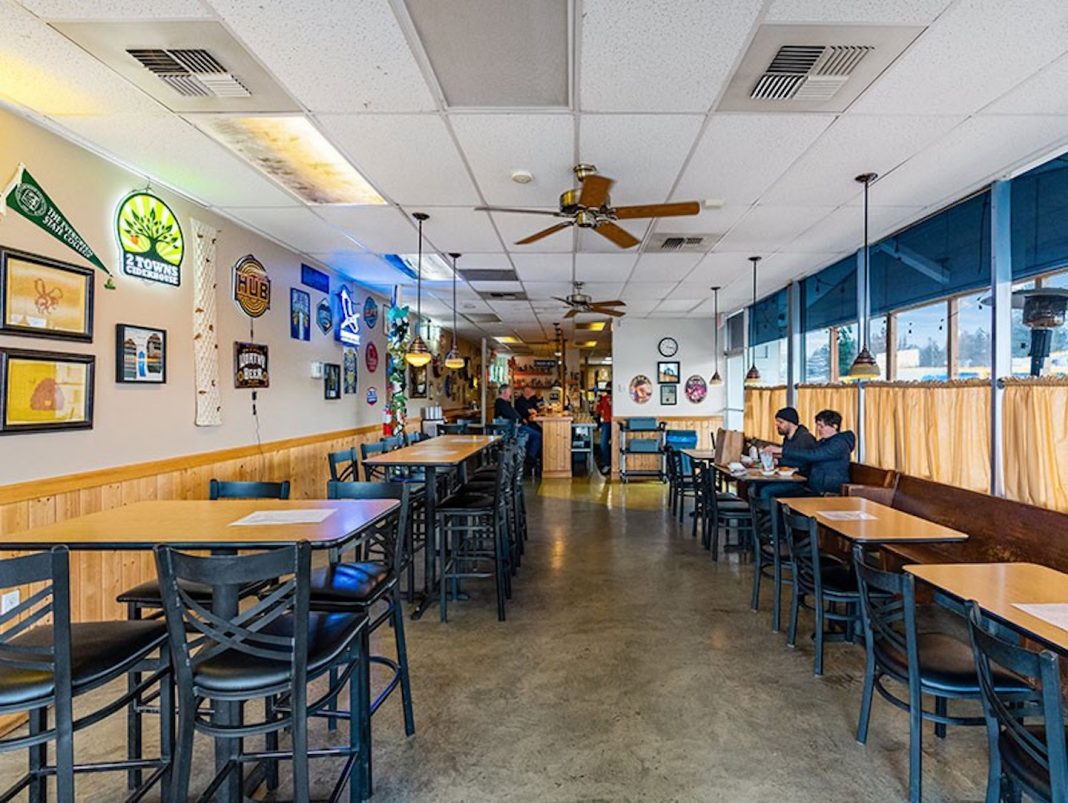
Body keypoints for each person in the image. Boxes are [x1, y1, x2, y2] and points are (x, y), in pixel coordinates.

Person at [759, 409, 855, 498]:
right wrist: (779, 460)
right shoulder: (824, 442)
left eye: (822, 426)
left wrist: (782, 451)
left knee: (768, 491)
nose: (818, 429)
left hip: (828, 490)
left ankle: (773, 516)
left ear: (835, 426)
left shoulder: (839, 444)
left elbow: (813, 455)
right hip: (814, 487)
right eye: (817, 425)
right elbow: (808, 456)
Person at [494, 384, 541, 459]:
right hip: (511, 430)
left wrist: (521, 419)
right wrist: (521, 419)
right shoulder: (501, 403)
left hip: (514, 428)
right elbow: (512, 415)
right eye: (509, 392)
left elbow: (513, 413)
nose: (511, 394)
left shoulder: (504, 403)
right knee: (537, 435)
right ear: (504, 392)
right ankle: (530, 459)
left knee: (534, 433)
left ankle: (528, 456)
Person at [594, 389, 612, 472]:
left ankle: (613, 464)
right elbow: (597, 411)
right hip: (606, 422)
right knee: (603, 444)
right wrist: (597, 401)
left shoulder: (618, 398)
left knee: (616, 444)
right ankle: (607, 463)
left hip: (616, 422)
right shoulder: (604, 398)